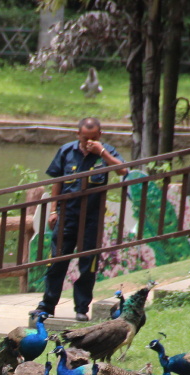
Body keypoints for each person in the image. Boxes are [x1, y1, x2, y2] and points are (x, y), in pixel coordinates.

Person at [37, 117, 125, 322]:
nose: (89, 141)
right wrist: (53, 210)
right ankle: (47, 306)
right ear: (78, 135)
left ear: (99, 135)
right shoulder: (66, 151)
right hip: (67, 215)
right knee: (56, 261)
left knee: (88, 264)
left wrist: (101, 152)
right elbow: (57, 182)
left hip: (92, 218)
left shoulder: (106, 151)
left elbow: (122, 170)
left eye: (93, 137)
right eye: (86, 138)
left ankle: (81, 308)